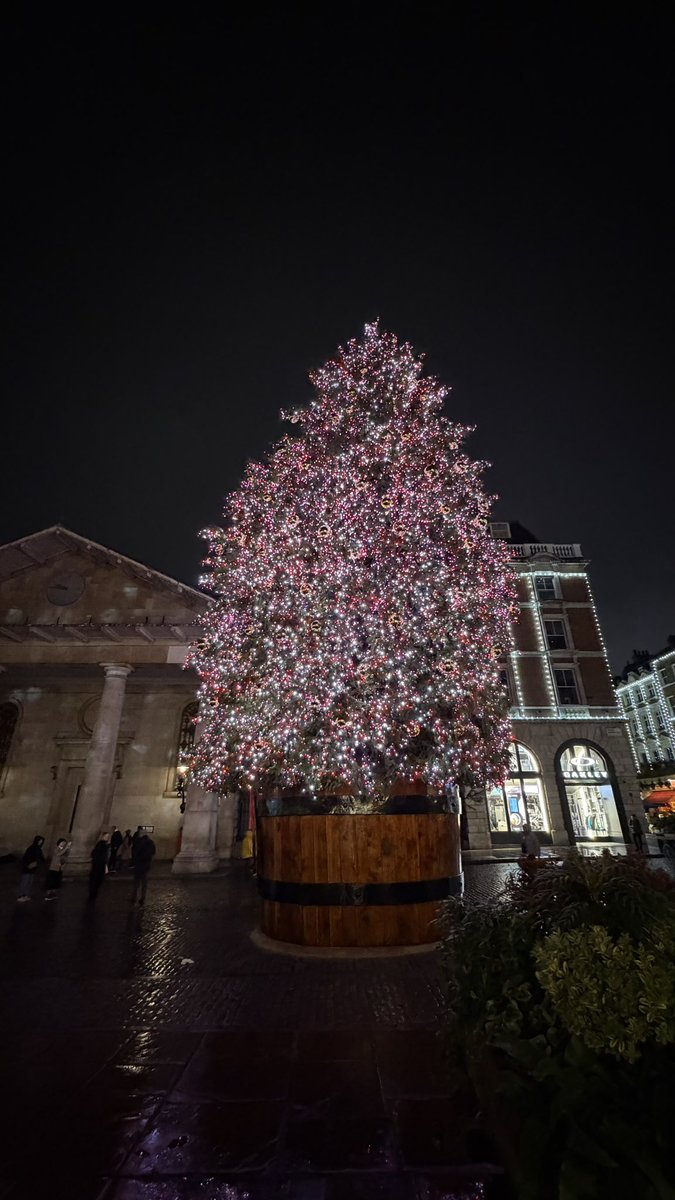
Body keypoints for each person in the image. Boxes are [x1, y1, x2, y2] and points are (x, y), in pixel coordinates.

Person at [130, 831, 156, 906]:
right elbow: (153, 852)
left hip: (139, 864)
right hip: (146, 865)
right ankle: (142, 897)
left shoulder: (139, 842)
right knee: (144, 882)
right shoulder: (151, 842)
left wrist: (134, 861)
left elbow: (135, 852)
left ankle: (134, 897)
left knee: (136, 882)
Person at [17, 835, 45, 901]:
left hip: (33, 868)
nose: (41, 842)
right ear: (36, 840)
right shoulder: (31, 848)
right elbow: (25, 858)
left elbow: (41, 858)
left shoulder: (38, 849)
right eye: (40, 840)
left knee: (29, 883)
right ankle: (20, 896)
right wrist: (29, 864)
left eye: (42, 841)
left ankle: (26, 895)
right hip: (27, 868)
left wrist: (37, 861)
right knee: (24, 882)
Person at [88, 832, 111, 902]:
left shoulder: (104, 845)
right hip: (98, 866)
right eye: (106, 836)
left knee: (98, 881)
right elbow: (100, 855)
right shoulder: (101, 844)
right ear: (103, 836)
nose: (107, 838)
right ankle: (92, 894)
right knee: (96, 881)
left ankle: (93, 894)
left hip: (99, 866)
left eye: (108, 836)